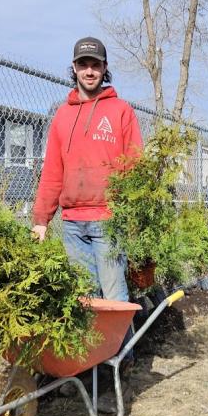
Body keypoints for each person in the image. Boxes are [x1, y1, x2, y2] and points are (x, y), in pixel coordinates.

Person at [32, 36, 143, 301]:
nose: (90, 71)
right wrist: (40, 220)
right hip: (72, 224)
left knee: (115, 297)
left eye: (96, 64)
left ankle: (123, 345)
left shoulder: (121, 111)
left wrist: (130, 215)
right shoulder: (62, 115)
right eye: (84, 64)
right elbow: (52, 172)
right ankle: (94, 346)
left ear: (105, 68)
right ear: (74, 68)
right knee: (83, 298)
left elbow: (134, 165)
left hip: (108, 221)